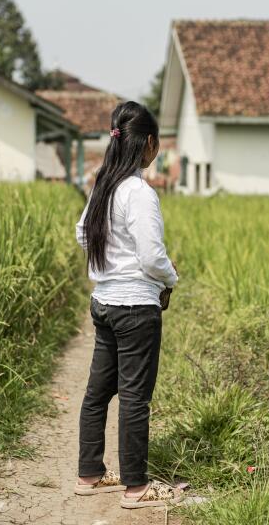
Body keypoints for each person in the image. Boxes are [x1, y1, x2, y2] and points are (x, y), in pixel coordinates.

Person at [73, 101, 182, 509]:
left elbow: (83, 234)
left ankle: (90, 474)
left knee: (98, 391)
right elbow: (152, 256)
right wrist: (169, 277)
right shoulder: (139, 192)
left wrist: (109, 265)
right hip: (137, 307)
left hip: (104, 301)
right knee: (136, 396)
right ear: (150, 144)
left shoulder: (105, 184)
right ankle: (136, 488)